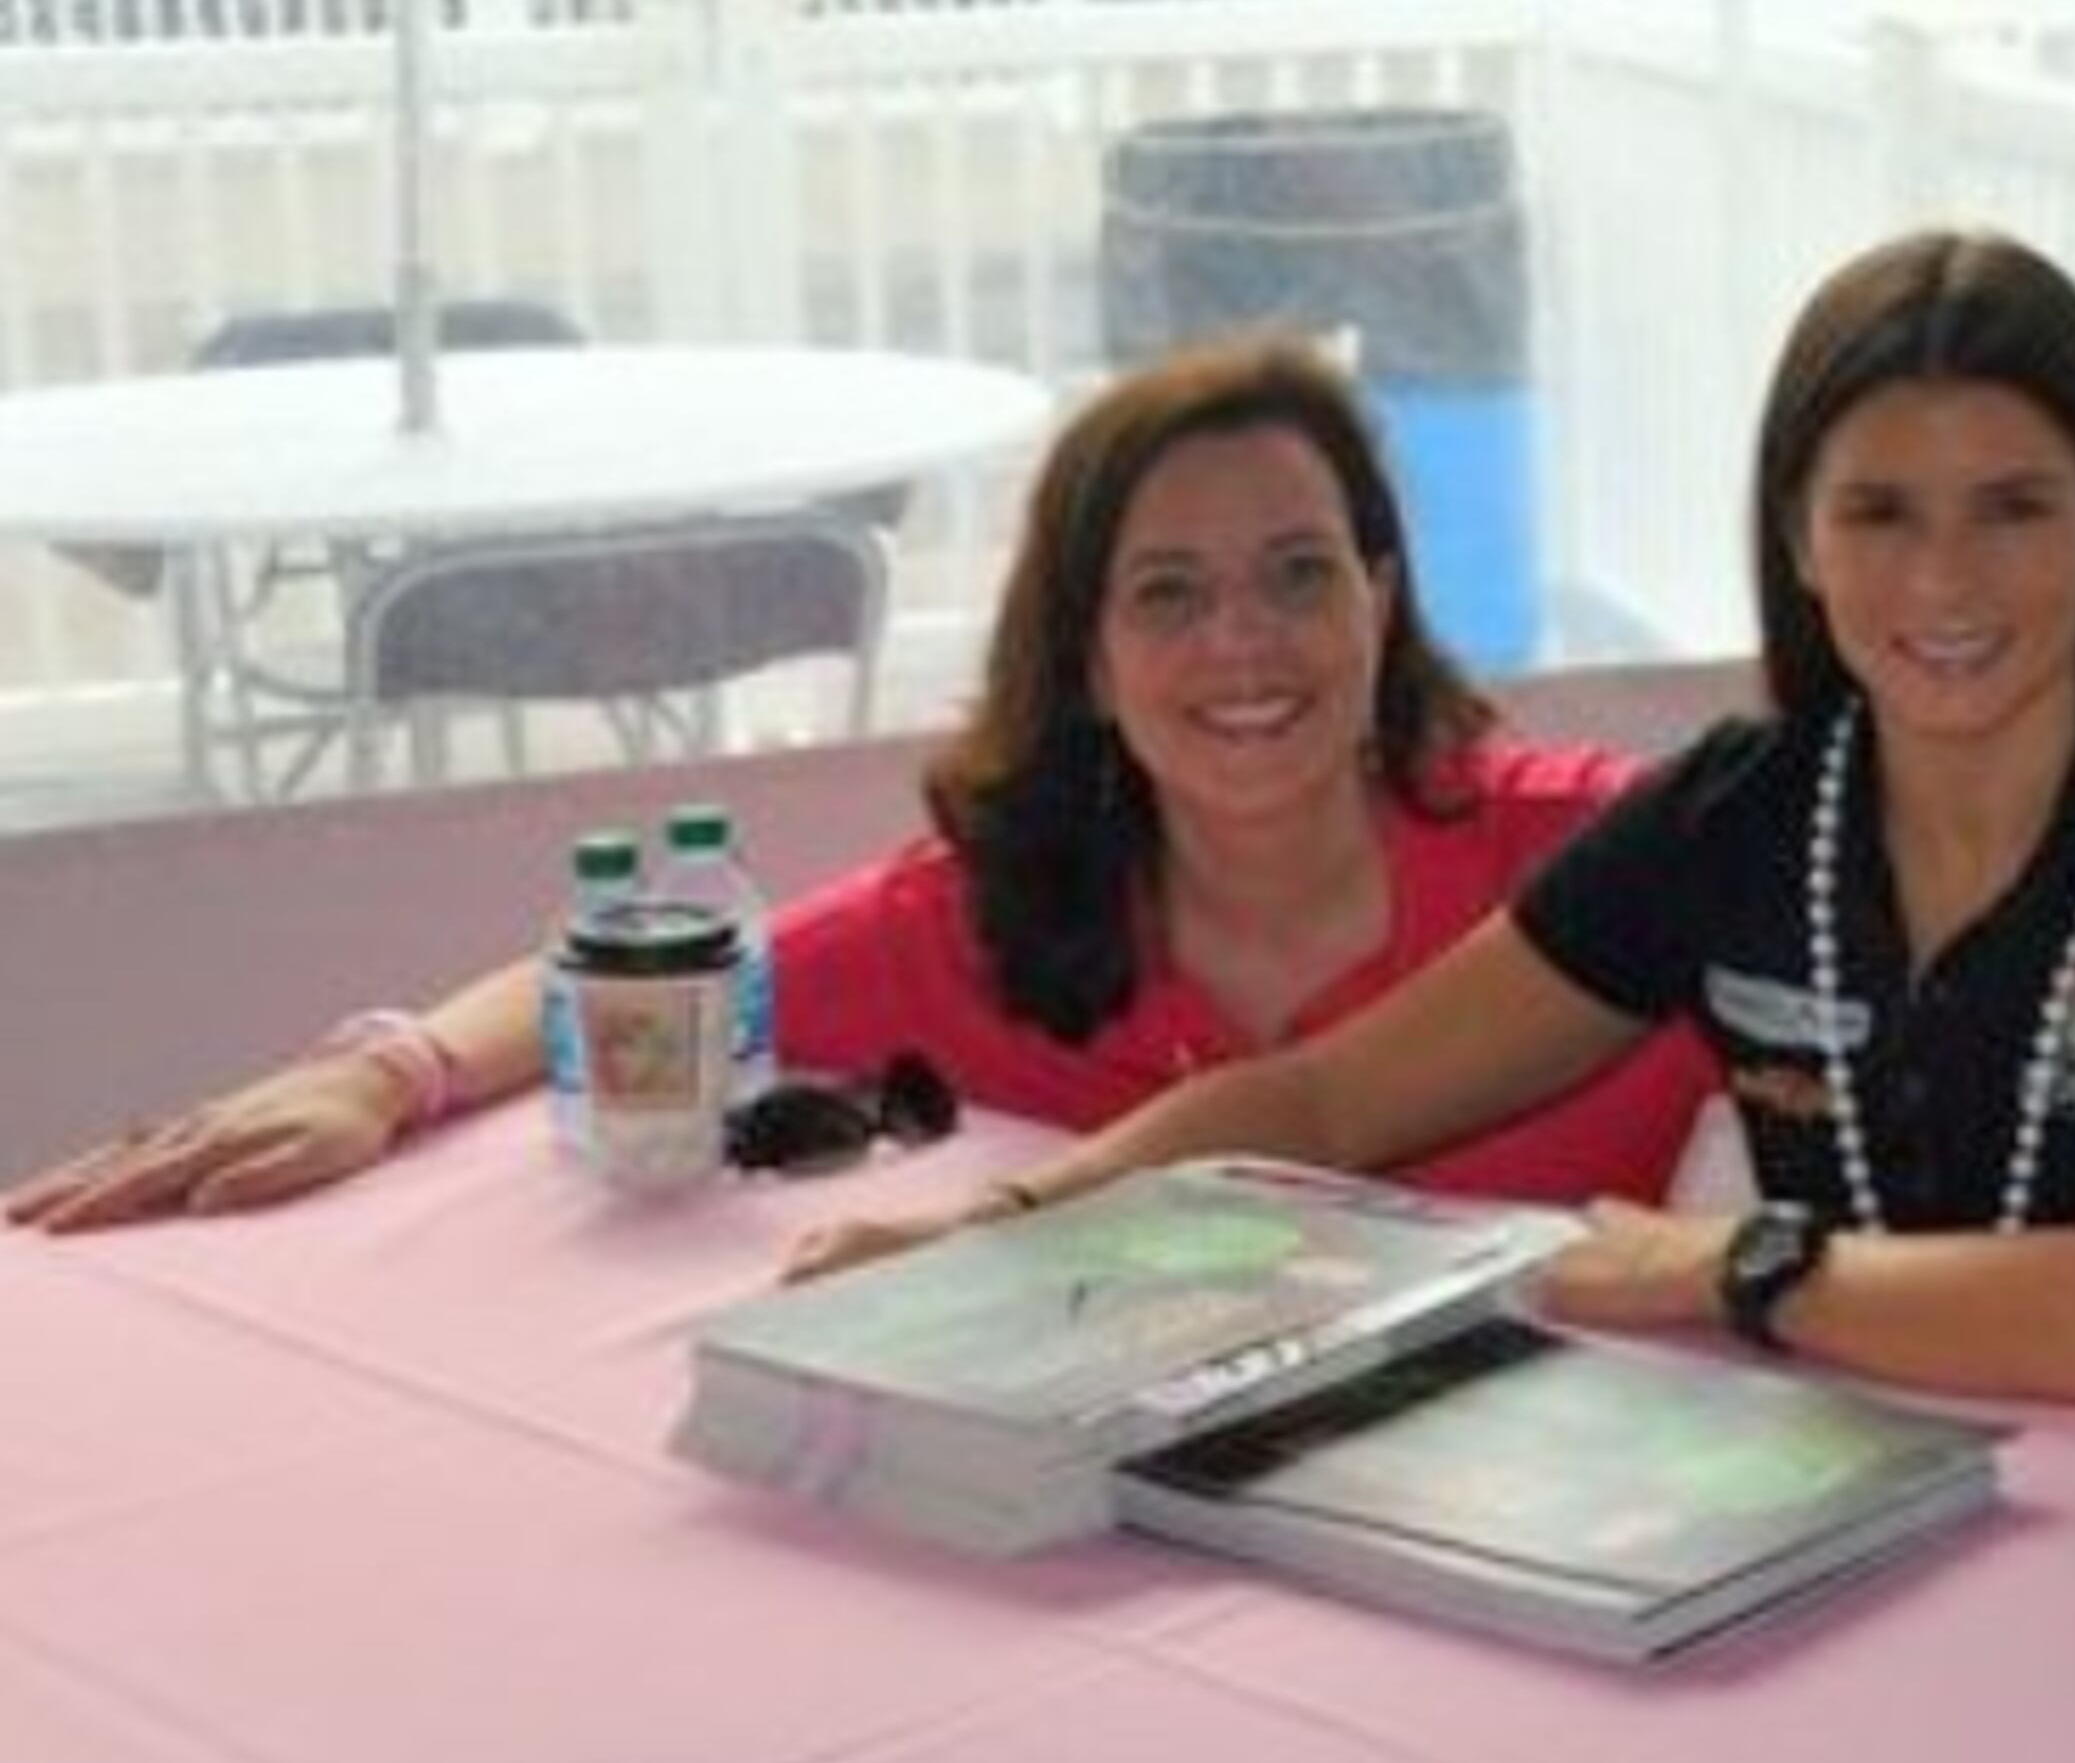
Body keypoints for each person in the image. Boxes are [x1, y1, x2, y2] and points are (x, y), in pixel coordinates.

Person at [796, 228, 2075, 1444]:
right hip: (1851, 1515)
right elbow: (1330, 1092)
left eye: (2014, 508)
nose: (1942, 582)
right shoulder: (1740, 813)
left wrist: (1736, 1274)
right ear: (1797, 534)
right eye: (1879, 514)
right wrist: (993, 1241)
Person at [7, 331, 1716, 1232]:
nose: (1244, 650)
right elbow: (651, 974)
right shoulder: (1000, 919)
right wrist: (379, 1082)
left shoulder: (1605, 862)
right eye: (1168, 598)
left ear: (1382, 592)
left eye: (1297, 576)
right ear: (1089, 653)